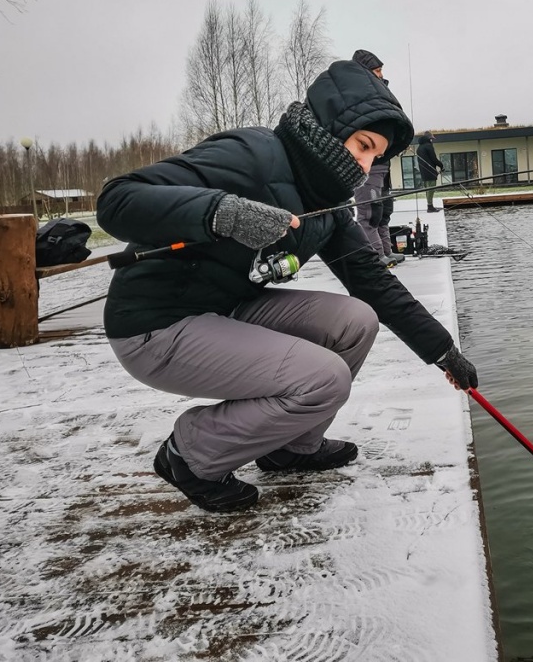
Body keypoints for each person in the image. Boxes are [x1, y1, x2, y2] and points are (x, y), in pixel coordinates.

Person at [97, 59, 478, 514]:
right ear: (330, 125)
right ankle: (191, 453)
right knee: (324, 378)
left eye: (375, 154)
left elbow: (372, 281)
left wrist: (441, 350)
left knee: (357, 321)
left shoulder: (328, 202)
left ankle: (291, 446)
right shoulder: (250, 154)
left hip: (227, 308)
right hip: (155, 326)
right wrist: (221, 211)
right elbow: (117, 200)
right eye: (362, 144)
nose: (365, 162)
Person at [350, 49, 402, 267]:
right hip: (368, 166)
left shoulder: (382, 92)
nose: (381, 75)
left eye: (382, 70)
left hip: (384, 165)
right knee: (369, 213)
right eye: (377, 71)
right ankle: (376, 256)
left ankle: (386, 251)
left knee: (383, 210)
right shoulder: (356, 95)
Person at [416, 130, 444, 212]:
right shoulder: (428, 146)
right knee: (431, 189)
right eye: (431, 139)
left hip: (423, 171)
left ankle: (430, 205)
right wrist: (441, 165)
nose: (432, 140)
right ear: (428, 139)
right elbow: (434, 159)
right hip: (430, 171)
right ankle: (430, 207)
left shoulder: (419, 147)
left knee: (427, 190)